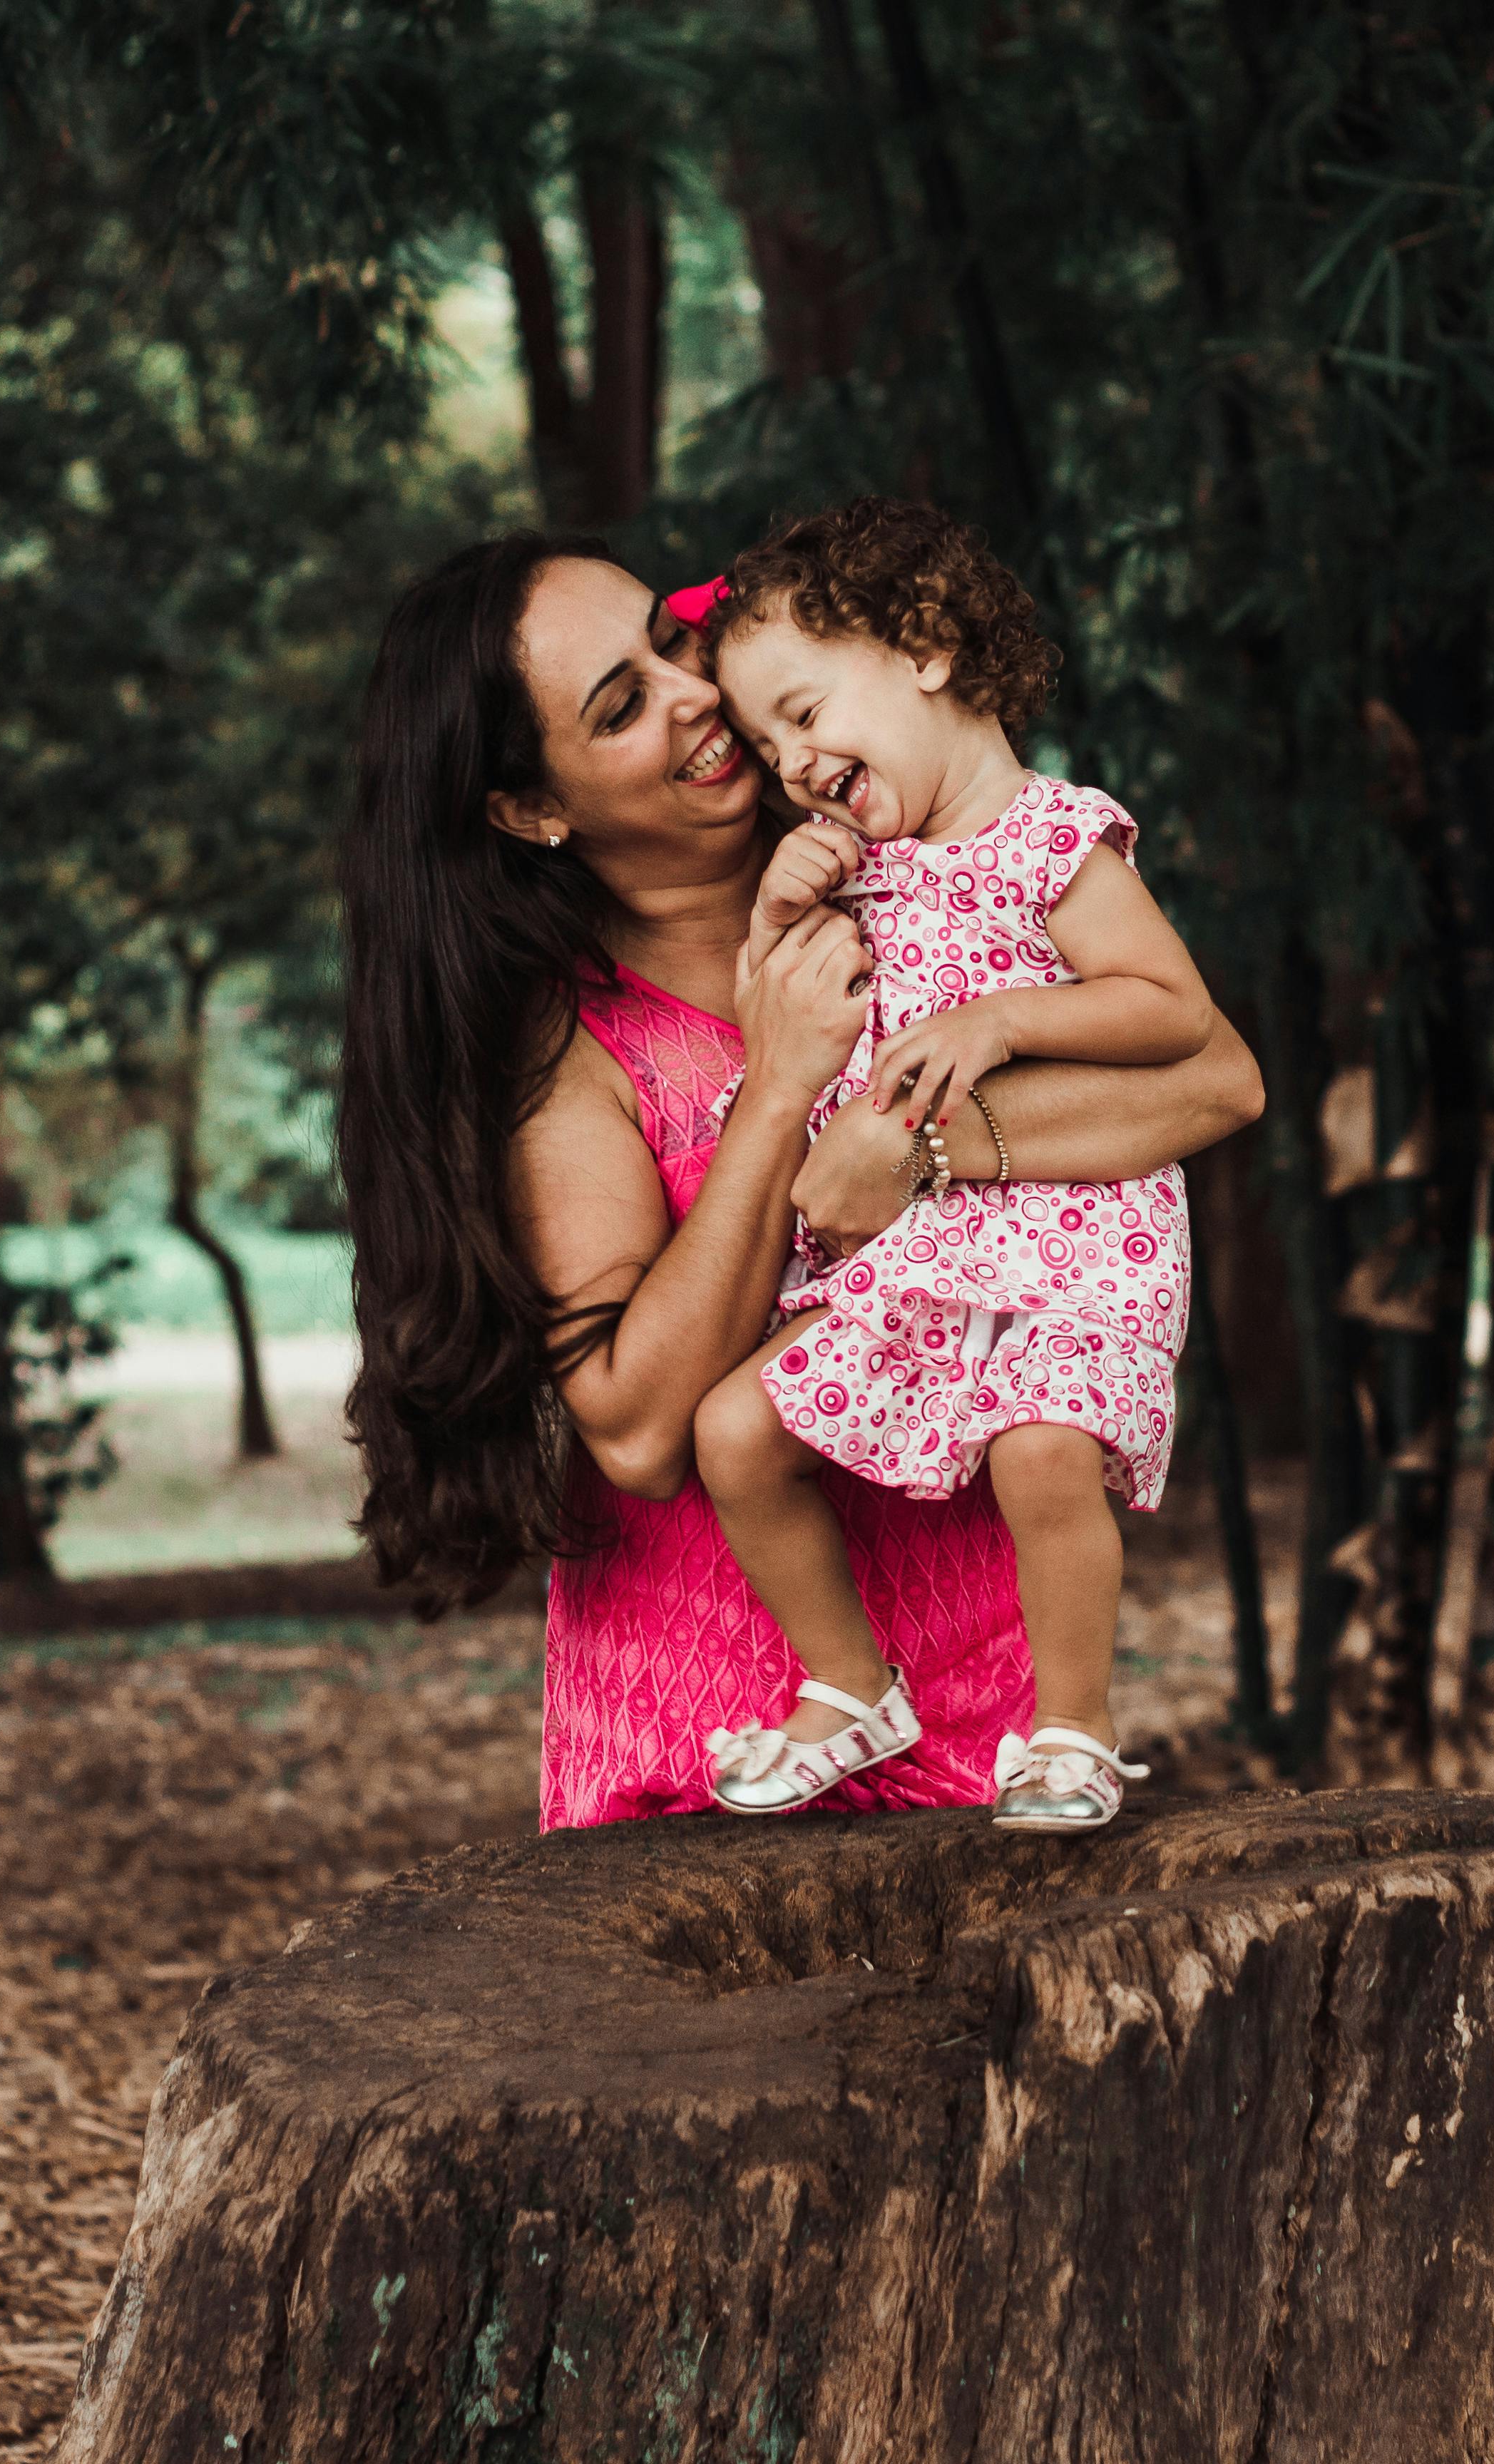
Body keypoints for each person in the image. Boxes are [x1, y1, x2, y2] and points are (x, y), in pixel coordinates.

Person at [335, 533, 1264, 1829]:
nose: (696, 696)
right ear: (531, 808)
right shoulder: (570, 1047)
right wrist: (780, 1096)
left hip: (1002, 1712)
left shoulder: (912, 858)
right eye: (621, 706)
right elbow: (638, 1431)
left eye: (672, 642)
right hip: (725, 1743)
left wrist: (920, 1152)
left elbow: (1215, 1082)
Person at [683, 500, 1202, 1834]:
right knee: (736, 1432)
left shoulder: (1051, 835)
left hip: (1078, 1238)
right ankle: (854, 1685)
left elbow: (1171, 1011)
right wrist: (780, 909)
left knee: (1043, 1455)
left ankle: (1075, 1727)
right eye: (763, 743)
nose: (789, 762)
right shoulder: (869, 864)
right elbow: (774, 1023)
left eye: (802, 712)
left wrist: (1008, 1018)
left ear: (923, 647)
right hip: (920, 1244)